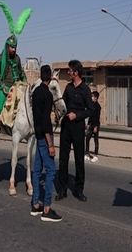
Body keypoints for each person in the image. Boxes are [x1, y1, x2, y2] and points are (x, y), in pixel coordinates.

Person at [56, 60, 93, 202]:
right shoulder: (68, 88)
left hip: (78, 128)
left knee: (79, 160)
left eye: (70, 71)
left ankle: (79, 190)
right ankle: (62, 190)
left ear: (76, 72)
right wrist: (59, 114)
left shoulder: (85, 89)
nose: (69, 73)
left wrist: (77, 115)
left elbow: (90, 110)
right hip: (66, 127)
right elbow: (63, 104)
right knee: (63, 160)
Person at [30, 65, 62, 222]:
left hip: (37, 135)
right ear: (50, 78)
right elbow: (45, 122)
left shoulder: (35, 93)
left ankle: (35, 204)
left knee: (36, 171)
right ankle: (47, 209)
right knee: (50, 171)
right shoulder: (48, 95)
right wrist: (51, 144)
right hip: (44, 137)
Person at [0, 35, 26, 124]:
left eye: (15, 47)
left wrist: (25, 83)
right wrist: (2, 86)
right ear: (7, 47)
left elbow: (21, 72)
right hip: (4, 88)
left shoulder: (17, 58)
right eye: (12, 47)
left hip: (17, 87)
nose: (14, 49)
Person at [84, 91, 101, 163]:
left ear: (96, 98)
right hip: (91, 125)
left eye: (93, 96)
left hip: (95, 125)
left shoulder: (98, 106)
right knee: (87, 138)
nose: (92, 97)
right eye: (91, 96)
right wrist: (88, 124)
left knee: (95, 140)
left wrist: (96, 127)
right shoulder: (91, 105)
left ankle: (95, 155)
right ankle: (87, 153)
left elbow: (97, 117)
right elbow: (90, 116)